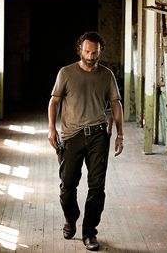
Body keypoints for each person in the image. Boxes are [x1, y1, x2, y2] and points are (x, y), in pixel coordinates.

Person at [48, 31, 124, 251]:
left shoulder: (106, 75)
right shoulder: (66, 73)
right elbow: (54, 102)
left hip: (99, 135)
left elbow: (116, 104)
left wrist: (120, 134)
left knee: (97, 187)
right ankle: (71, 219)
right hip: (72, 137)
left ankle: (89, 232)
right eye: (87, 51)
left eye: (95, 52)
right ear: (80, 49)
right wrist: (52, 129)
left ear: (100, 51)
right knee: (67, 185)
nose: (91, 56)